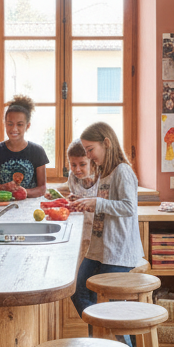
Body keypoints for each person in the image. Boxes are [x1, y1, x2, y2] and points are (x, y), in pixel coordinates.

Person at [68, 122, 143, 331]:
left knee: (111, 309)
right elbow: (105, 204)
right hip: (100, 248)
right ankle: (100, 344)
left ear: (107, 143)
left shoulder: (123, 171)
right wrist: (86, 201)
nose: (89, 155)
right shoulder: (104, 172)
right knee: (78, 291)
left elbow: (129, 207)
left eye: (90, 150)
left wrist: (96, 202)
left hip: (118, 251)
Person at [0, 95, 48, 197]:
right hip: (3, 205)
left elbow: (42, 189)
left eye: (19, 125)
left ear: (27, 126)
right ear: (5, 124)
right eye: (10, 124)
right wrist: (1, 188)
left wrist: (23, 192)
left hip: (30, 206)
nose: (14, 129)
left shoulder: (37, 151)